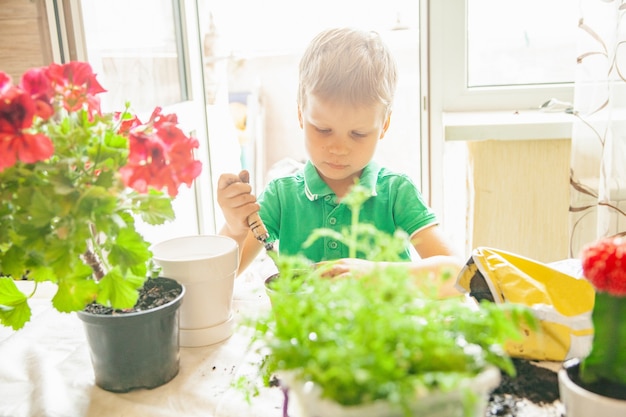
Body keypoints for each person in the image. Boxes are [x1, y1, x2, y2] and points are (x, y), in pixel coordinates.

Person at [217, 27, 463, 296]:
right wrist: (233, 228)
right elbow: (222, 280)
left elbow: (457, 275)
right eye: (323, 129)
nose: (338, 148)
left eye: (358, 134)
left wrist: (377, 274)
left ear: (384, 125)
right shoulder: (281, 196)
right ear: (301, 114)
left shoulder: (396, 193)